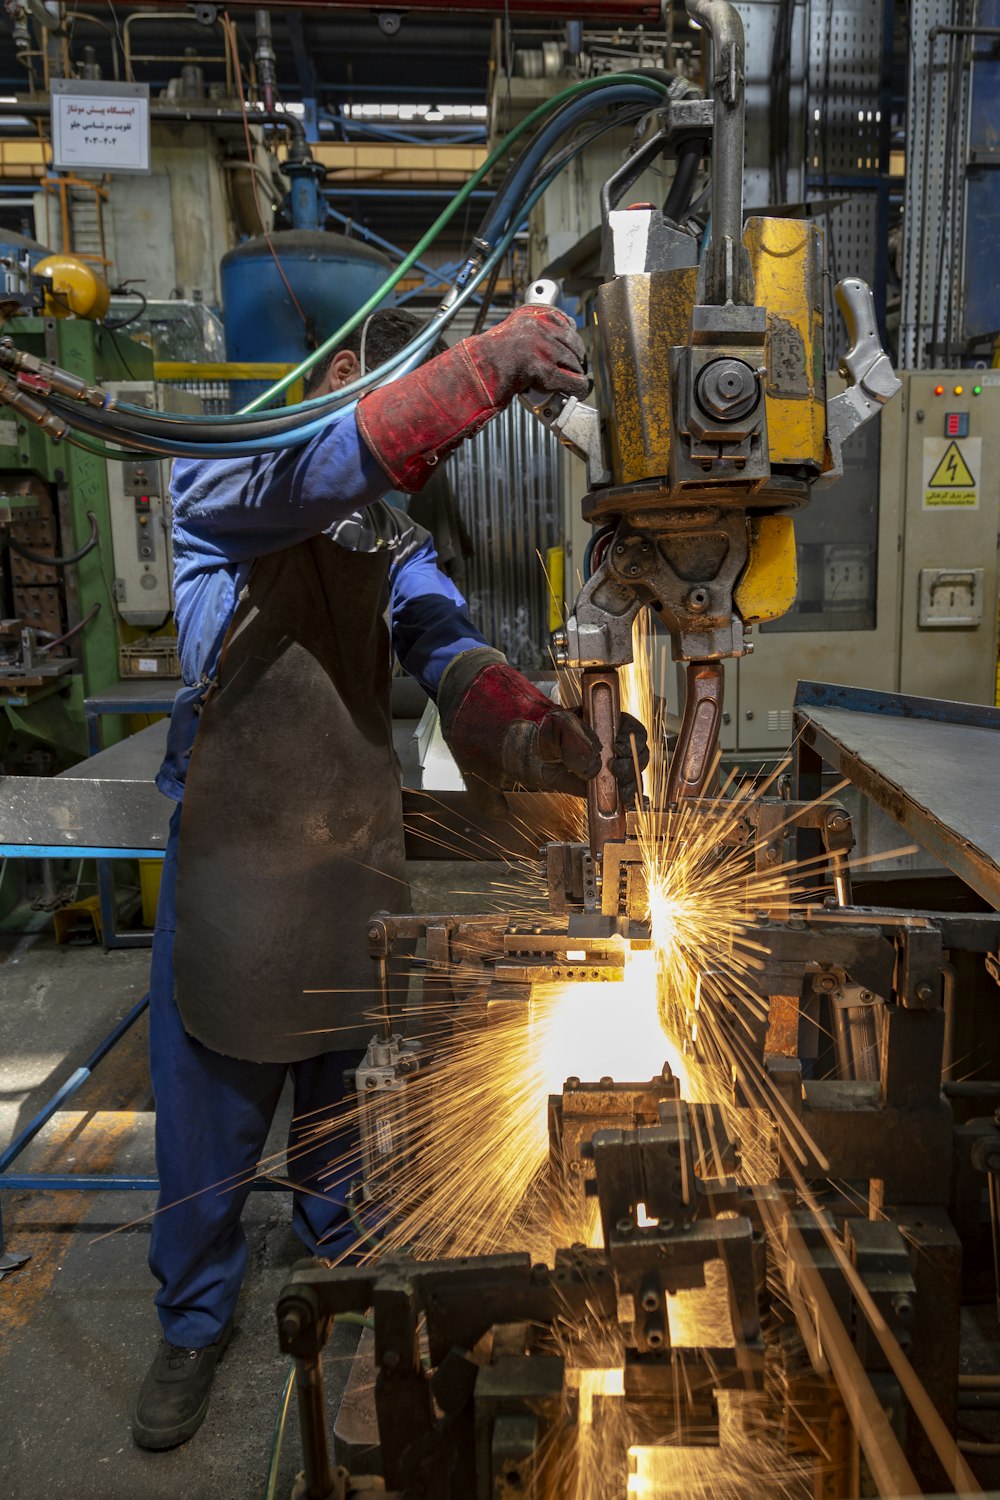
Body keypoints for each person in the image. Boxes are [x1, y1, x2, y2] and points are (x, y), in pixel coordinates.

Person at [132, 303, 647, 1451]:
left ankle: (345, 1264)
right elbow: (319, 473)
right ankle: (192, 1319)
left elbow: (439, 637)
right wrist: (478, 368)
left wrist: (522, 726)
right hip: (236, 862)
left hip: (349, 856)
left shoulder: (388, 537)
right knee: (211, 1122)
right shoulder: (225, 485)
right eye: (410, 391)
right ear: (356, 370)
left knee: (338, 1107)